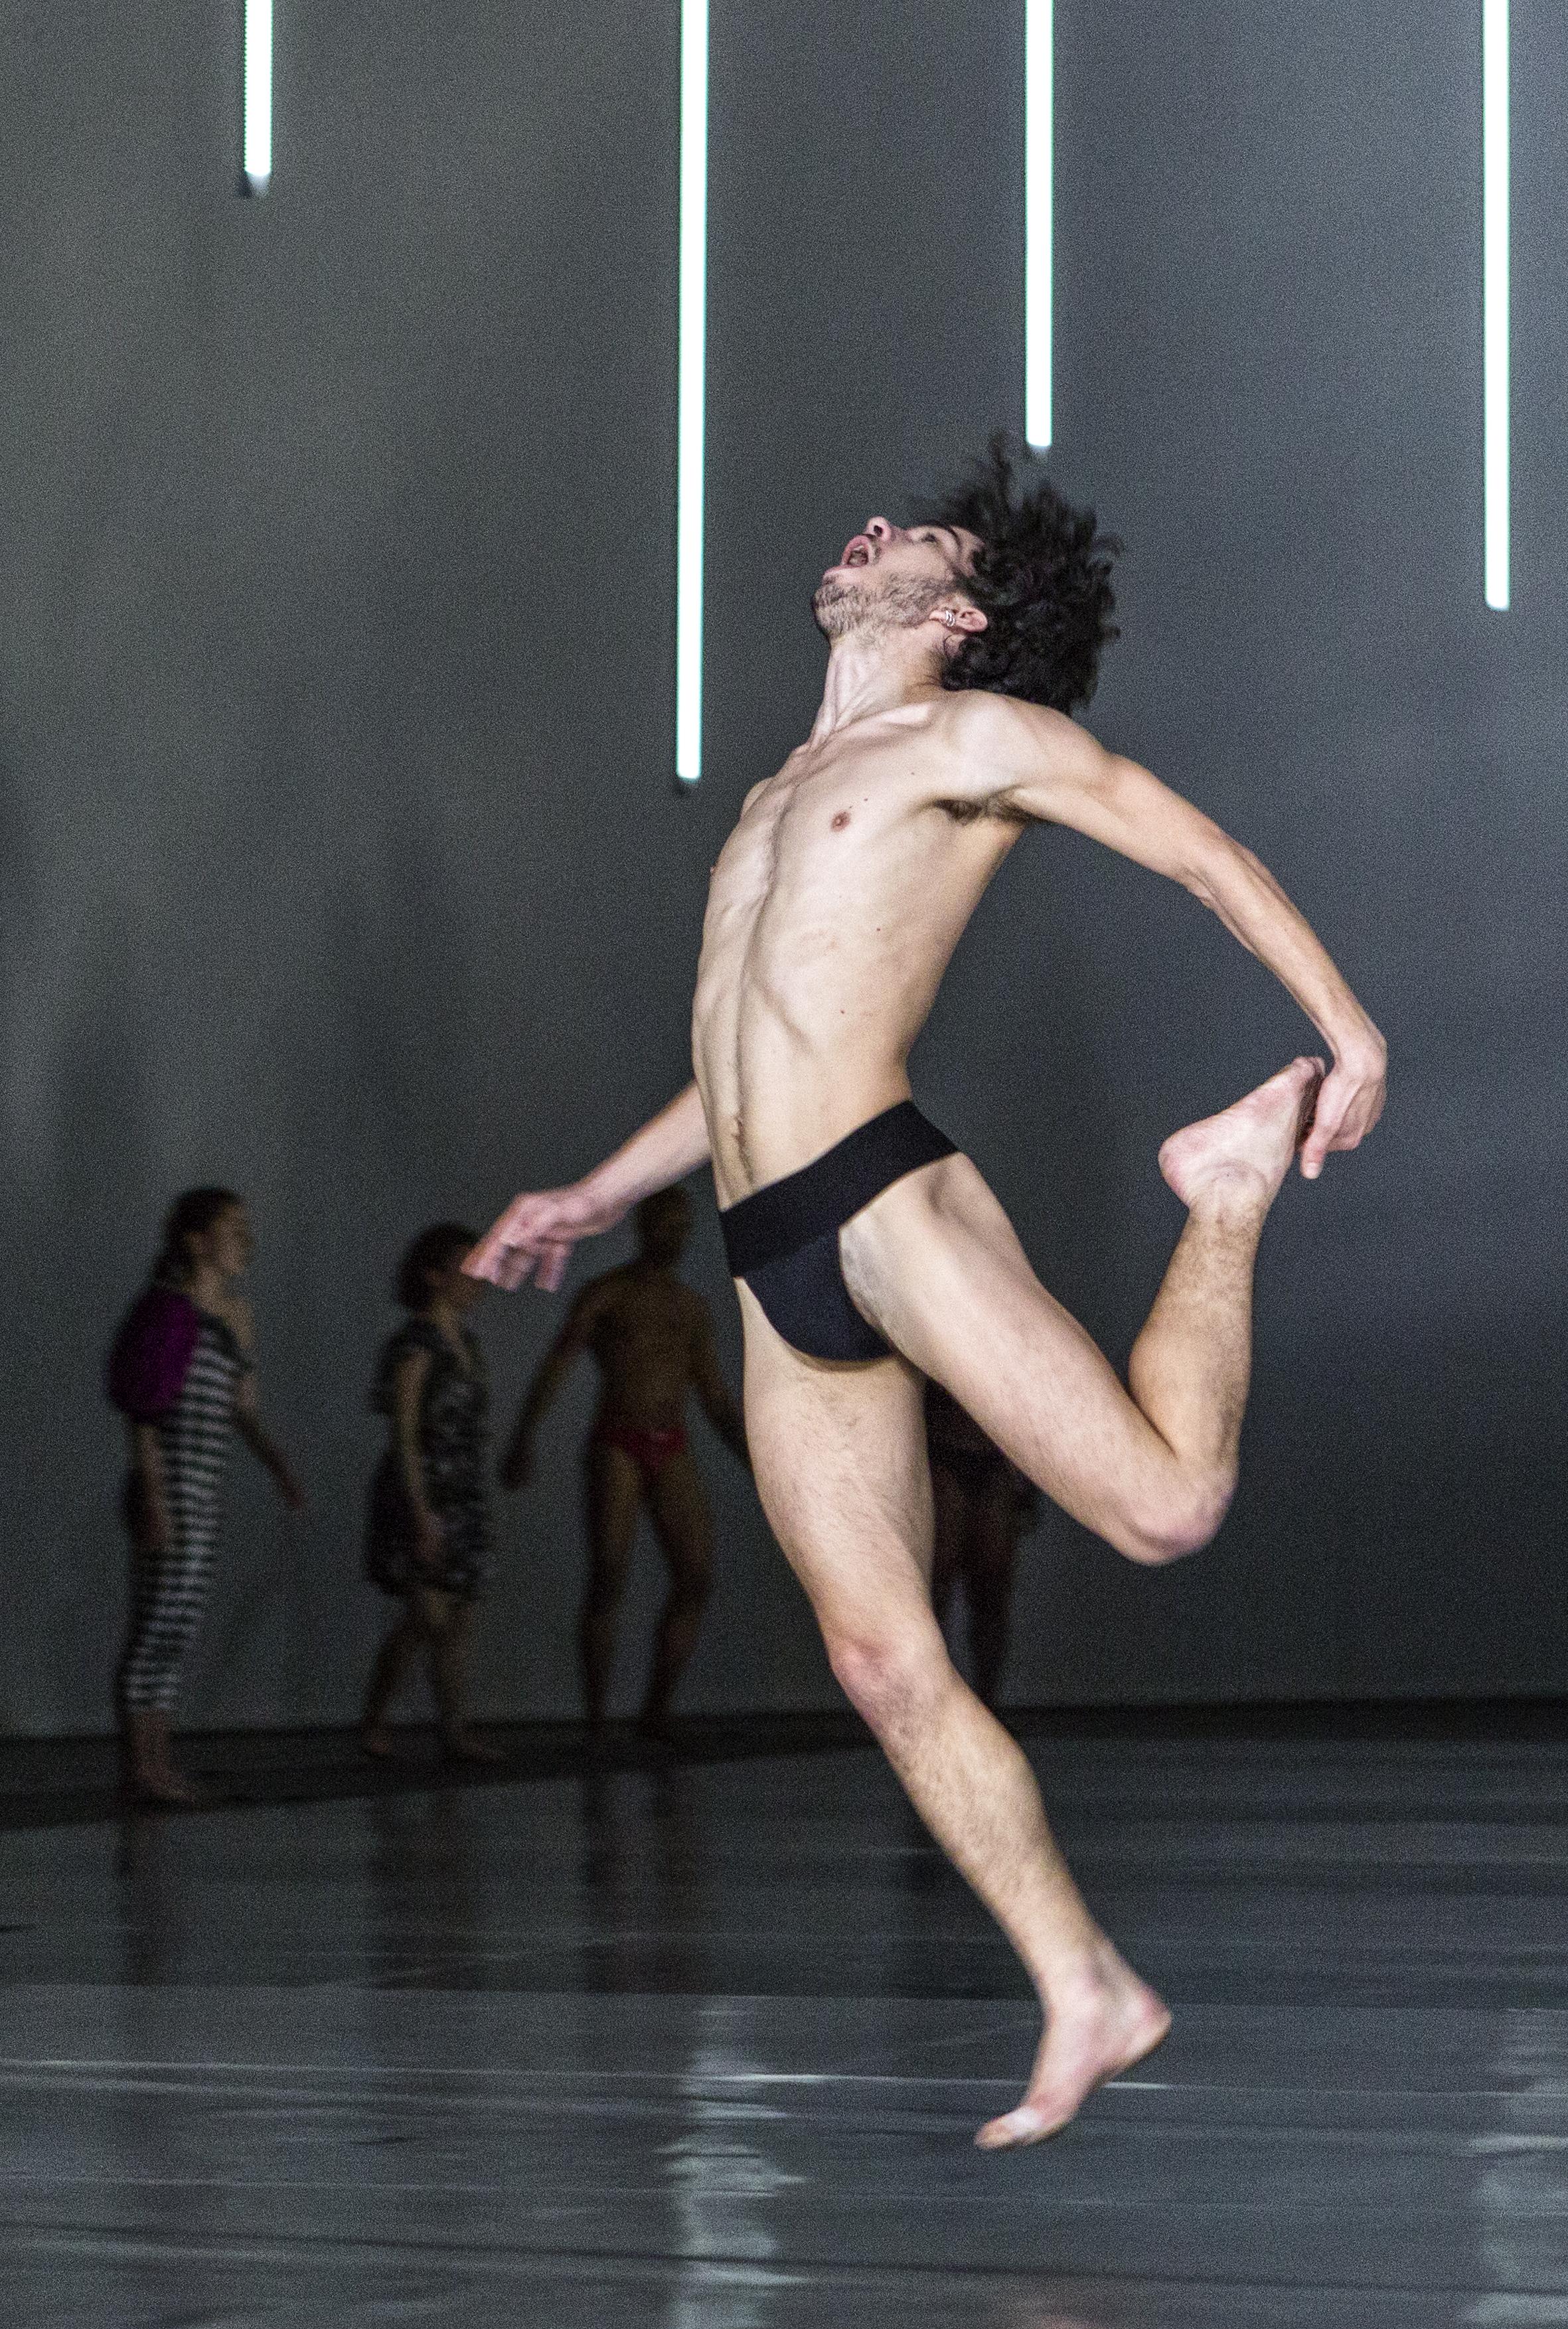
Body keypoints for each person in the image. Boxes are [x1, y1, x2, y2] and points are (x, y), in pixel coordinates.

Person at [466, 440, 1387, 2147]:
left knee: (1165, 1508)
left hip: (884, 1199)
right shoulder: (766, 800)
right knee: (882, 1658)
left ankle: (1226, 1192)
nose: (868, 527)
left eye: (917, 540)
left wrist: (1346, 1027)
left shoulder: (972, 741)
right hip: (766, 1251)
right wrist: (597, 1191)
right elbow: (734, 1056)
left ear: (958, 613)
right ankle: (1083, 1984)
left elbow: (1192, 852)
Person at [500, 1184, 749, 1740]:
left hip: (671, 1440)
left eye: (683, 1223)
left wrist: (759, 1464)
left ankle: (656, 1711)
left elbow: (713, 1397)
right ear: (644, 1225)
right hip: (618, 1442)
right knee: (609, 1572)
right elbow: (557, 1365)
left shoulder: (689, 1308)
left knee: (696, 1574)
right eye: (666, 1221)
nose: (675, 1233)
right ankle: (595, 1719)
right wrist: (525, 1436)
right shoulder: (606, 1295)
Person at [110, 1188, 304, 1805]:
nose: (244, 1239)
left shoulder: (236, 1317)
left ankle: (156, 1766)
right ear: (197, 1240)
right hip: (170, 1484)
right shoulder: (170, 1310)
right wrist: (155, 1493)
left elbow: (242, 1408)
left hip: (204, 1486)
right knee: (158, 1625)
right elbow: (143, 1408)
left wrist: (277, 1462)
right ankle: (144, 1768)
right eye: (232, 1227)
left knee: (178, 1627)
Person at [360, 1224, 505, 1765]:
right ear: (435, 1275)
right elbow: (404, 1433)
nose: (478, 1280)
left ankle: (453, 1729)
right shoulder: (415, 1344)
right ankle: (376, 1716)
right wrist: (420, 1511)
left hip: (462, 1490)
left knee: (457, 1619)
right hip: (420, 1490)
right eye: (466, 1269)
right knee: (427, 1615)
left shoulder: (465, 1343)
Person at [926, 1382, 1038, 1710]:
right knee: (937, 1589)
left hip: (992, 1461)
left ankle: (989, 1705)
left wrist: (1027, 1483)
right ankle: (937, 1704)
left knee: (991, 1592)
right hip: (944, 1453)